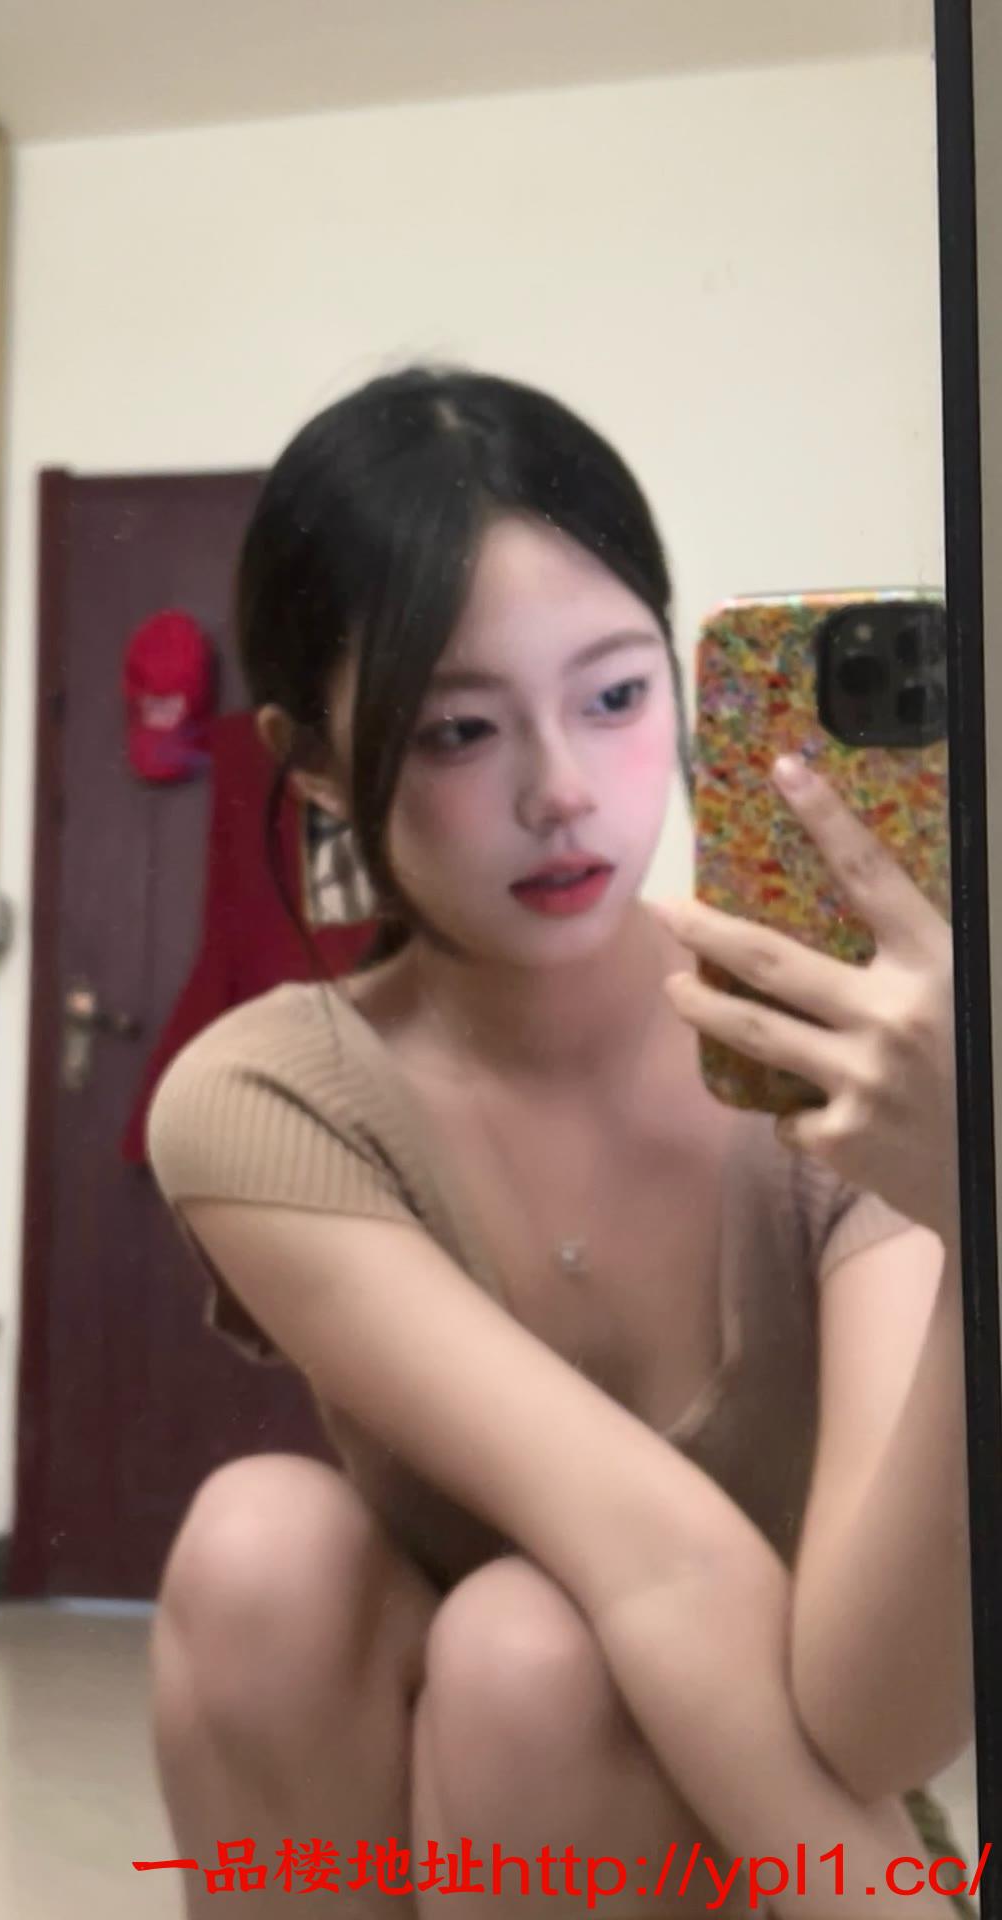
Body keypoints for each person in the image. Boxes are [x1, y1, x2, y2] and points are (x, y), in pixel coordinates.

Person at [144, 367, 975, 1920]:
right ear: (310, 766)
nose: (564, 792)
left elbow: (879, 1727)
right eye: (460, 729)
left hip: (792, 1841)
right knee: (270, 1550)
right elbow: (654, 1555)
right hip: (448, 1836)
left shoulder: (833, 1061)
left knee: (530, 1653)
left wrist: (971, 1215)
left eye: (614, 695)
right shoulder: (273, 1097)